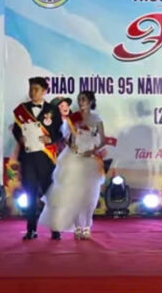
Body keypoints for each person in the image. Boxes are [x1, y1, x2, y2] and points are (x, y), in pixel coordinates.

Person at [38, 91, 107, 240]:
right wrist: (72, 146)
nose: (81, 102)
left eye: (84, 99)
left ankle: (87, 226)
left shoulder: (97, 119)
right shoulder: (73, 118)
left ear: (91, 101)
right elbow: (66, 137)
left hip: (90, 158)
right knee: (74, 194)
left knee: (90, 195)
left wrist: (93, 151)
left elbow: (103, 140)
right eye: (80, 99)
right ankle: (77, 227)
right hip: (73, 158)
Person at [12, 77, 63, 241]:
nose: (32, 92)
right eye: (31, 89)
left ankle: (55, 228)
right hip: (28, 159)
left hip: (46, 159)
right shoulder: (22, 110)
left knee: (51, 194)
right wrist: (20, 138)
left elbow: (60, 132)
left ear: (44, 91)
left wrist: (50, 139)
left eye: (36, 89)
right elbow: (16, 130)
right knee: (30, 194)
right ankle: (31, 229)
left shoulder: (52, 110)